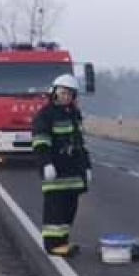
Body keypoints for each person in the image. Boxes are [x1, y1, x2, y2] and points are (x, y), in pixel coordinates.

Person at [31, 72, 90, 256]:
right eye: (63, 93)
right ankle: (52, 245)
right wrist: (46, 163)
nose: (66, 97)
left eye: (70, 94)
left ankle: (63, 242)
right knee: (55, 211)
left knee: (68, 211)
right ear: (54, 92)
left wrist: (87, 167)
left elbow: (80, 144)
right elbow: (41, 142)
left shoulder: (74, 114)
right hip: (56, 173)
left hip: (73, 174)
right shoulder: (45, 115)